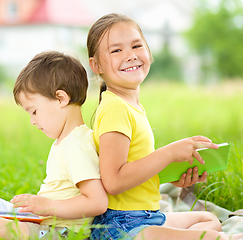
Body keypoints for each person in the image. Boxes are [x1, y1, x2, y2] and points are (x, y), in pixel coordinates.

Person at [87, 13, 243, 240]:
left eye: (136, 45)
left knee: (208, 220)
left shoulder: (129, 105)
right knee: (209, 236)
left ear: (148, 51)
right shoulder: (115, 110)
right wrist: (169, 153)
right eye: (116, 50)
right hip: (121, 226)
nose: (130, 55)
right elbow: (113, 181)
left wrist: (171, 175)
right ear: (96, 65)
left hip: (145, 216)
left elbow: (133, 169)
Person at [0, 51, 108, 240]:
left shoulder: (77, 146)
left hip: (64, 233)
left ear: (61, 99)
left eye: (34, 111)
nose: (32, 121)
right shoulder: (65, 142)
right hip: (48, 226)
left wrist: (46, 206)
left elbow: (97, 202)